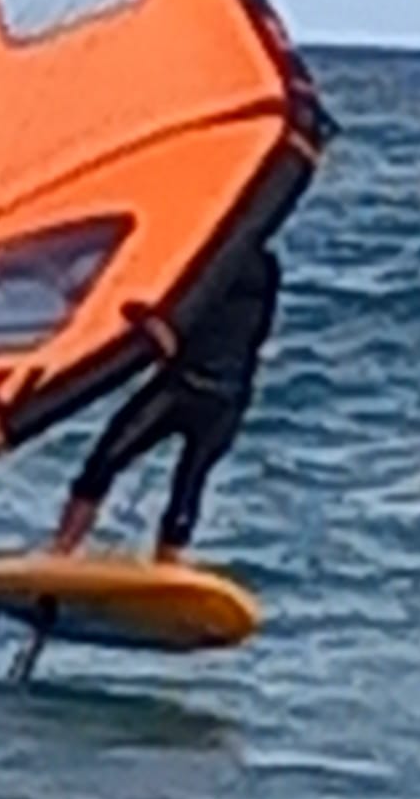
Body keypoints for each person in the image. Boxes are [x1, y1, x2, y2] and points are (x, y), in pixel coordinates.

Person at [50, 239, 281, 564]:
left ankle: (62, 551)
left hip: (179, 389)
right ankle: (168, 567)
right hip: (228, 399)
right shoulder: (266, 267)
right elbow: (257, 333)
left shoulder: (205, 262)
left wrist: (135, 313)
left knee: (104, 463)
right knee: (188, 488)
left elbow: (167, 338)